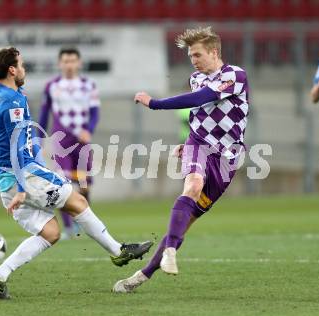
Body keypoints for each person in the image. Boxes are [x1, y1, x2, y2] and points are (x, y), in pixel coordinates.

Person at [0, 47, 152, 299]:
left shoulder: (4, 94)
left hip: (9, 178)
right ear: (12, 70)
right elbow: (18, 147)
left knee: (50, 233)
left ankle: (0, 274)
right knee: (78, 201)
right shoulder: (12, 101)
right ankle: (118, 251)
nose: (24, 68)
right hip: (24, 176)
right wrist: (21, 188)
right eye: (22, 64)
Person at [113, 26, 249, 293]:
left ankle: (142, 276)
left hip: (227, 158)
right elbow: (198, 115)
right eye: (190, 56)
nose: (193, 60)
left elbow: (204, 98)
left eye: (197, 55)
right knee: (193, 185)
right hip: (199, 146)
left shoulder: (235, 75)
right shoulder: (196, 77)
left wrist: (155, 103)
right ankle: (171, 251)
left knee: (186, 223)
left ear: (214, 52)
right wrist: (186, 144)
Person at [39, 47, 99, 239]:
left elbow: (95, 113)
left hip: (81, 141)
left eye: (73, 61)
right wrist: (37, 139)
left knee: (84, 185)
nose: (69, 65)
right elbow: (43, 114)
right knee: (63, 184)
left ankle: (84, 223)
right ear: (59, 64)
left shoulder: (89, 85)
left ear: (79, 63)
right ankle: (69, 228)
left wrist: (88, 131)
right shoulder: (51, 86)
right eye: (66, 61)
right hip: (61, 141)